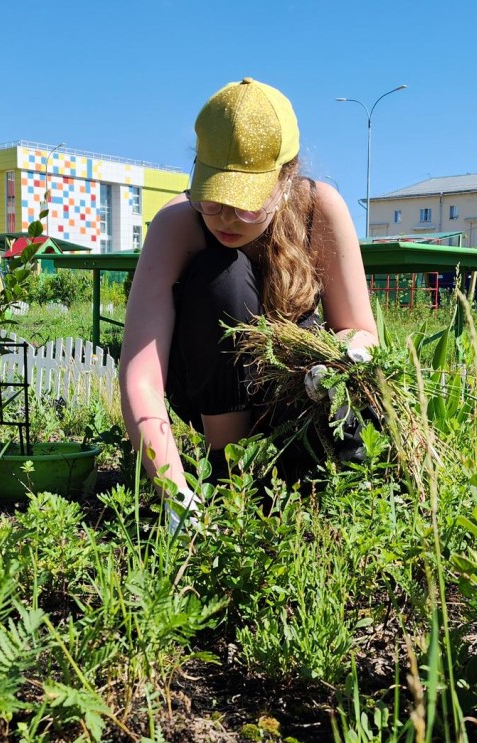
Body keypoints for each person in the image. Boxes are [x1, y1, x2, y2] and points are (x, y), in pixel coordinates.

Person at [119, 77, 378, 519]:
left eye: (246, 203)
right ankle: (226, 475)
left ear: (287, 175)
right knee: (223, 274)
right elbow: (140, 377)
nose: (226, 219)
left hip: (293, 393)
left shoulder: (320, 209)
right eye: (213, 200)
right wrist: (176, 496)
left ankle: (321, 480)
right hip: (209, 395)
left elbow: (361, 331)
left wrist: (339, 358)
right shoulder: (177, 225)